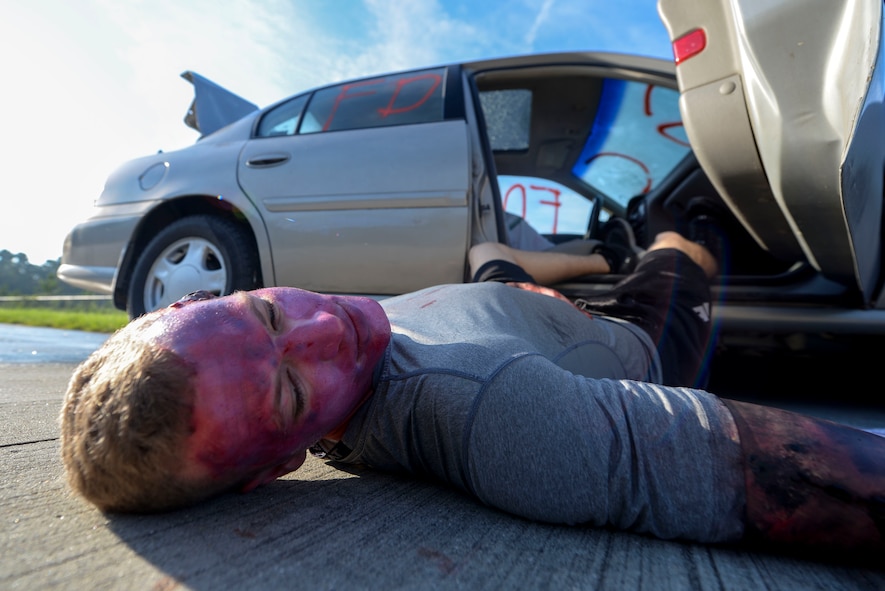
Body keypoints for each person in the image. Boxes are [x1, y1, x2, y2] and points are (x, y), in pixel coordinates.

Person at [60, 219, 885, 560]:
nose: (323, 327)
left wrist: (524, 302)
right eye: (285, 389)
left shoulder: (346, 335)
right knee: (683, 235)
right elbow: (800, 475)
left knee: (490, 246)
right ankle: (637, 251)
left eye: (269, 313)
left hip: (521, 309)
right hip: (633, 335)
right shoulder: (485, 408)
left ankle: (595, 252)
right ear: (273, 469)